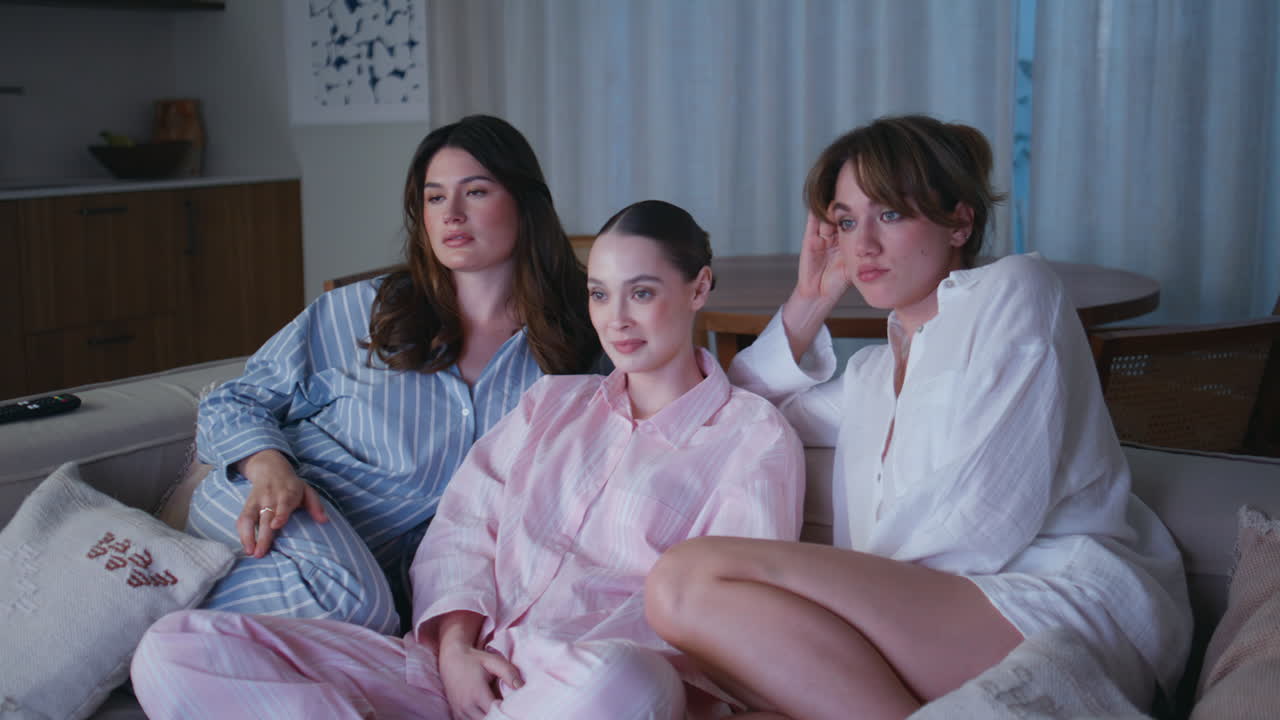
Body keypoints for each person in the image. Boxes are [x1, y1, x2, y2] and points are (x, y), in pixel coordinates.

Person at [130, 199, 806, 719]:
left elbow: (723, 615)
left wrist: (575, 665)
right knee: (174, 647)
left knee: (626, 681)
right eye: (600, 293)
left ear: (698, 288)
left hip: (574, 688)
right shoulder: (551, 405)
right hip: (445, 676)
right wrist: (454, 649)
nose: (617, 318)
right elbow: (461, 530)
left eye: (643, 292)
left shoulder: (752, 438)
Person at [643, 115, 1192, 719]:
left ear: (960, 222)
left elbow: (983, 519)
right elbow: (729, 418)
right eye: (846, 222)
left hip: (1052, 602)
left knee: (683, 581)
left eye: (890, 214)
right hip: (922, 621)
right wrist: (809, 301)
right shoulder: (872, 375)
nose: (863, 245)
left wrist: (837, 604)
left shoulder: (1016, 291)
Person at [184, 114, 601, 635]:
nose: (451, 213)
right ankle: (154, 608)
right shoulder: (364, 310)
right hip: (276, 508)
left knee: (374, 624)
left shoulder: (574, 343)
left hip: (382, 579)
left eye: (475, 192)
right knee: (359, 611)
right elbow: (235, 399)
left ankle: (170, 609)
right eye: (434, 197)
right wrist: (269, 467)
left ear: (525, 202)